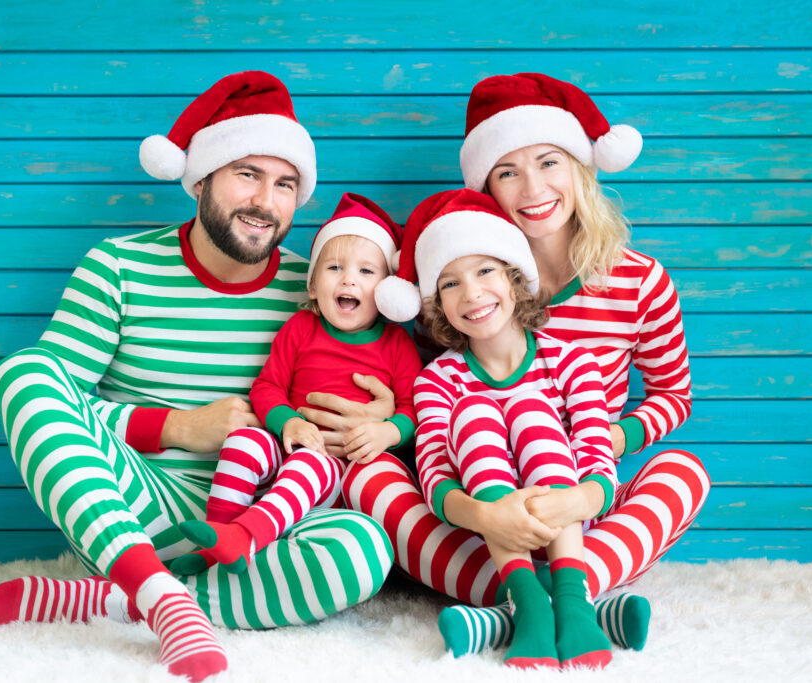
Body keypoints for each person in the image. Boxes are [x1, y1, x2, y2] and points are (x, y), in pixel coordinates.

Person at [0, 71, 394, 683]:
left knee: (364, 549)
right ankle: (152, 583)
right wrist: (175, 427)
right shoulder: (116, 267)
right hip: (132, 507)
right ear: (200, 178)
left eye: (285, 184)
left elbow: (398, 393)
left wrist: (381, 420)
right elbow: (55, 398)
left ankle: (131, 601)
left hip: (262, 520)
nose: (266, 201)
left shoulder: (320, 290)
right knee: (21, 373)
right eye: (246, 174)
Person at [346, 72, 710, 657]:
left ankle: (540, 600)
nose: (532, 186)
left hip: (585, 491)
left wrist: (595, 466)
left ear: (580, 168)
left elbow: (674, 396)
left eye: (548, 162)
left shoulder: (640, 281)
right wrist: (398, 415)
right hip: (480, 507)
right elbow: (432, 407)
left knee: (685, 472)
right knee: (366, 477)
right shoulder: (462, 282)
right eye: (508, 172)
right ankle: (559, 602)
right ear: (487, 188)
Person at [395, 189, 616, 669]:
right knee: (476, 412)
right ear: (436, 306)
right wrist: (486, 517)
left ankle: (571, 601)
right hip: (483, 539)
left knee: (530, 409)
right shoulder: (437, 380)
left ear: (516, 280)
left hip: (571, 527)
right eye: (449, 285)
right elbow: (434, 474)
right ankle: (530, 603)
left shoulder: (575, 362)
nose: (471, 293)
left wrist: (574, 501)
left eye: (485, 271)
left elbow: (598, 454)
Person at [171, 193, 422, 573]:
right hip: (287, 447)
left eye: (367, 272)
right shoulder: (300, 328)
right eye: (335, 268)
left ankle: (246, 537)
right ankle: (216, 539)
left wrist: (388, 433)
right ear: (312, 286)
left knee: (308, 462)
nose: (349, 279)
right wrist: (289, 422)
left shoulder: (396, 344)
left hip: (338, 469)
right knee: (243, 439)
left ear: (387, 293)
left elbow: (412, 408)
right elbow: (266, 388)